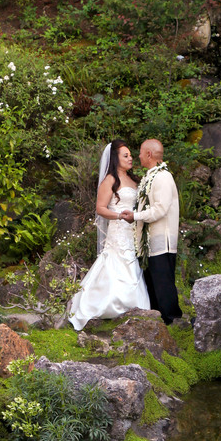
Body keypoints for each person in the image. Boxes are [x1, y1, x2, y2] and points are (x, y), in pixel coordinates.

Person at [68, 139, 150, 331]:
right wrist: (119, 216)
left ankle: (136, 308)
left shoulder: (134, 179)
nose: (130, 158)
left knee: (133, 265)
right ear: (115, 158)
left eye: (130, 155)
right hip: (119, 230)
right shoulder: (110, 180)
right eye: (126, 155)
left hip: (133, 231)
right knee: (117, 263)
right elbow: (100, 208)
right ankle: (104, 306)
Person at [120, 138, 182, 324]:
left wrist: (135, 216)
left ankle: (174, 321)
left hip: (162, 242)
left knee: (164, 285)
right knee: (154, 285)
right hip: (150, 242)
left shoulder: (163, 177)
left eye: (140, 152)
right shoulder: (150, 176)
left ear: (148, 154)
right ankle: (159, 322)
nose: (137, 156)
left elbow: (160, 210)